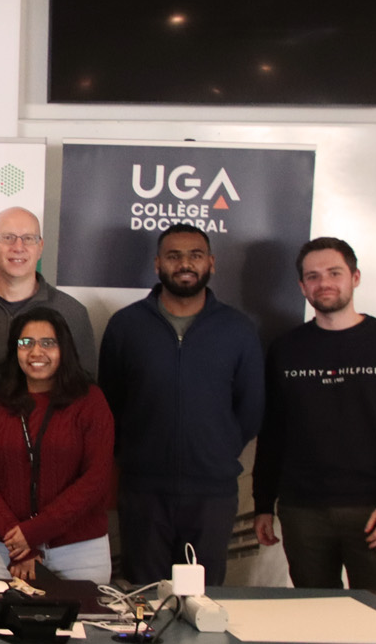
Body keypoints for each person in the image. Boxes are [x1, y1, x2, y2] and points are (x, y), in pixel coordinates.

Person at [253, 237, 376, 603]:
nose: (324, 283)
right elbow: (273, 433)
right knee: (315, 616)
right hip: (302, 511)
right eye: (313, 276)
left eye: (334, 272)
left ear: (355, 277)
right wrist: (262, 503)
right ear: (303, 286)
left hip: (374, 510)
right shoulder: (285, 349)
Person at [98, 222, 263, 587]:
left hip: (211, 492)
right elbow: (109, 404)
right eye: (174, 256)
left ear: (211, 263)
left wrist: (216, 449)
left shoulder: (237, 329)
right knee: (145, 598)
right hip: (143, 490)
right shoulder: (126, 326)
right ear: (158, 264)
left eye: (195, 255)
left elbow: (251, 407)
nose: (185, 263)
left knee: (202, 600)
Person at [0, 308, 114, 583]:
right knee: (8, 627)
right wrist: (17, 541)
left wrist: (33, 533)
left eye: (48, 343)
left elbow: (95, 479)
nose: (36, 352)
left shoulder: (90, 401)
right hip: (9, 551)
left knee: (84, 626)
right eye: (26, 343)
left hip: (79, 554)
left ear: (64, 349)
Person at [0, 206, 96, 378]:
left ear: (40, 247)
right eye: (8, 238)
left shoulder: (72, 313)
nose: (18, 247)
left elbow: (85, 388)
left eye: (28, 238)